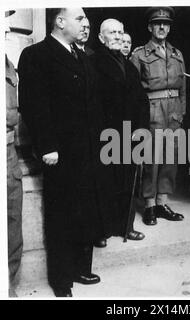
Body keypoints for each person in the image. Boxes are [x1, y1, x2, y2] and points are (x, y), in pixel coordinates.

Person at [18, 8, 101, 297]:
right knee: (62, 215)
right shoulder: (37, 55)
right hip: (61, 153)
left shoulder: (82, 55)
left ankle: (81, 266)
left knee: (85, 211)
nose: (85, 24)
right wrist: (48, 145)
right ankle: (62, 279)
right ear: (60, 21)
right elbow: (34, 104)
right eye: (80, 19)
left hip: (87, 150)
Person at [93, 18, 149, 246]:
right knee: (104, 185)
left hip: (129, 135)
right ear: (101, 38)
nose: (117, 36)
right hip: (104, 136)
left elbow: (142, 101)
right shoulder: (93, 62)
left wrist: (142, 128)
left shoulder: (129, 66)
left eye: (120, 32)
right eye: (112, 33)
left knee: (127, 183)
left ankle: (125, 226)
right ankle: (100, 231)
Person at [130, 7, 186, 226]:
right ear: (150, 27)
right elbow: (134, 91)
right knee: (151, 160)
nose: (162, 27)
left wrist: (181, 112)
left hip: (173, 111)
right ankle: (150, 205)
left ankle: (162, 202)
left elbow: (183, 88)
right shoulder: (140, 54)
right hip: (151, 109)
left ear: (169, 27)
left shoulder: (177, 54)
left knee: (171, 158)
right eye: (157, 23)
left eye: (166, 24)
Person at [6, 10, 23, 297]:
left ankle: (9, 286)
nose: (6, 26)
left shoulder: (8, 63)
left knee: (12, 219)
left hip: (9, 151)